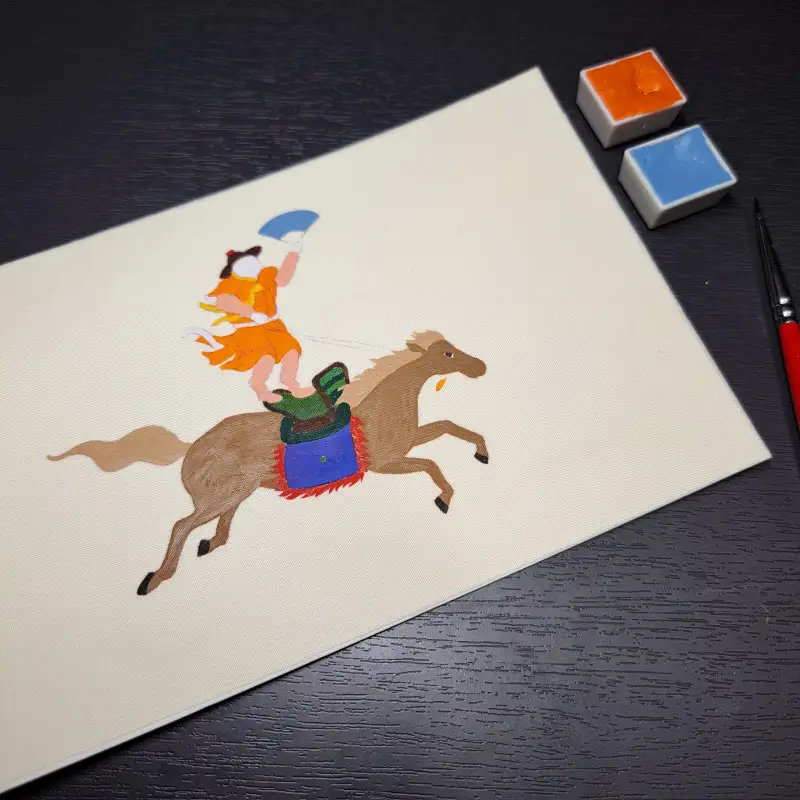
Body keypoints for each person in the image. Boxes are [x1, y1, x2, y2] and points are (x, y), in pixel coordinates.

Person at [190, 243, 313, 403]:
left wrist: (293, 254)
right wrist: (251, 314)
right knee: (265, 357)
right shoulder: (230, 284)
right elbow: (224, 301)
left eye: (252, 262)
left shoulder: (266, 277)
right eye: (245, 264)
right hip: (250, 330)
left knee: (291, 350)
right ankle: (259, 387)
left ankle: (291, 383)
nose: (251, 266)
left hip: (274, 326)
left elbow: (282, 278)